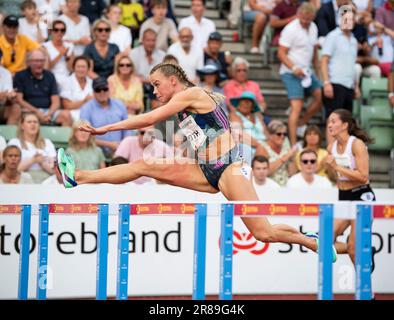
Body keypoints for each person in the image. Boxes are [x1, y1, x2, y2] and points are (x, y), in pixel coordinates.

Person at [56, 62, 336, 260]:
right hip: (205, 170)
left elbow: (152, 117)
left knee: (263, 232)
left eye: (156, 84)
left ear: (173, 81)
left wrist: (105, 128)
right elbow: (199, 135)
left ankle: (311, 241)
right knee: (143, 165)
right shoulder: (187, 102)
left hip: (230, 168)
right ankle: (76, 177)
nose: (154, 91)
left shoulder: (191, 94)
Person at [325, 108, 376, 270]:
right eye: (328, 122)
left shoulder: (357, 144)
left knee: (354, 249)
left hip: (361, 195)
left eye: (333, 121)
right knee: (325, 241)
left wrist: (337, 167)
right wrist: (330, 169)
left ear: (345, 125)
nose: (329, 125)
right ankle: (364, 251)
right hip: (344, 195)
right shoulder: (331, 147)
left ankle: (368, 294)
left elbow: (363, 176)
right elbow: (336, 177)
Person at [278, 3, 322, 146]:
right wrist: (294, 67)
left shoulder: (314, 27)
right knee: (296, 106)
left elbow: (314, 53)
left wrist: (318, 72)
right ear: (298, 15)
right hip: (290, 72)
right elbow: (281, 53)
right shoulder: (290, 29)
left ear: (312, 17)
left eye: (308, 19)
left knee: (320, 97)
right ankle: (292, 143)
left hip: (307, 71)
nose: (304, 21)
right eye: (302, 18)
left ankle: (300, 124)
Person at [14, 49, 72, 126]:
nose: (39, 64)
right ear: (29, 62)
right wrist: (37, 112)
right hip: (28, 111)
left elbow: (56, 101)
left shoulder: (50, 75)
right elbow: (19, 100)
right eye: (36, 61)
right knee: (18, 111)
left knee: (66, 115)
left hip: (48, 111)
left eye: (42, 61)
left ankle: (66, 138)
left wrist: (49, 114)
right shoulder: (20, 75)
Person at [80, 77, 133, 159]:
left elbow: (128, 128)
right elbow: (84, 135)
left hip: (119, 149)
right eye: (98, 90)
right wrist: (109, 144)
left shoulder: (119, 105)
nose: (102, 92)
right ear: (93, 92)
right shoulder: (86, 109)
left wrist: (123, 145)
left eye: (105, 89)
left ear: (109, 89)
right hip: (95, 150)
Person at [8, 112, 56, 183]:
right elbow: (11, 169)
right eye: (29, 122)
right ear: (22, 126)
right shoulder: (14, 143)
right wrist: (32, 160)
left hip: (46, 179)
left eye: (35, 122)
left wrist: (42, 163)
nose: (33, 124)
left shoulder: (47, 142)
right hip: (23, 179)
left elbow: (54, 170)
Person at [260, 120, 298, 186]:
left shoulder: (286, 147)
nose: (282, 136)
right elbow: (263, 172)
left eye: (284, 134)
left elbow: (292, 173)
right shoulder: (262, 148)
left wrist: (292, 158)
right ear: (270, 135)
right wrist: (284, 158)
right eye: (279, 134)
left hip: (286, 186)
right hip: (268, 186)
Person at [60, 55, 94, 123]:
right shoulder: (67, 82)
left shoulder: (92, 82)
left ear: (88, 69)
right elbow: (67, 105)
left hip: (90, 113)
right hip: (72, 114)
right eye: (78, 67)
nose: (81, 69)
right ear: (74, 68)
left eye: (83, 67)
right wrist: (84, 101)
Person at [42, 19, 75, 87]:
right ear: (51, 31)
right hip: (51, 78)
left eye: (62, 30)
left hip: (67, 78)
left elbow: (71, 69)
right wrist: (60, 55)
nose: (59, 32)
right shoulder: (45, 46)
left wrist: (67, 58)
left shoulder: (69, 45)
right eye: (56, 30)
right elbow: (47, 68)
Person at [0, 48, 21, 125]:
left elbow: (8, 93)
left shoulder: (5, 73)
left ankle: (10, 136)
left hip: (2, 106)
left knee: (16, 108)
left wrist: (11, 96)